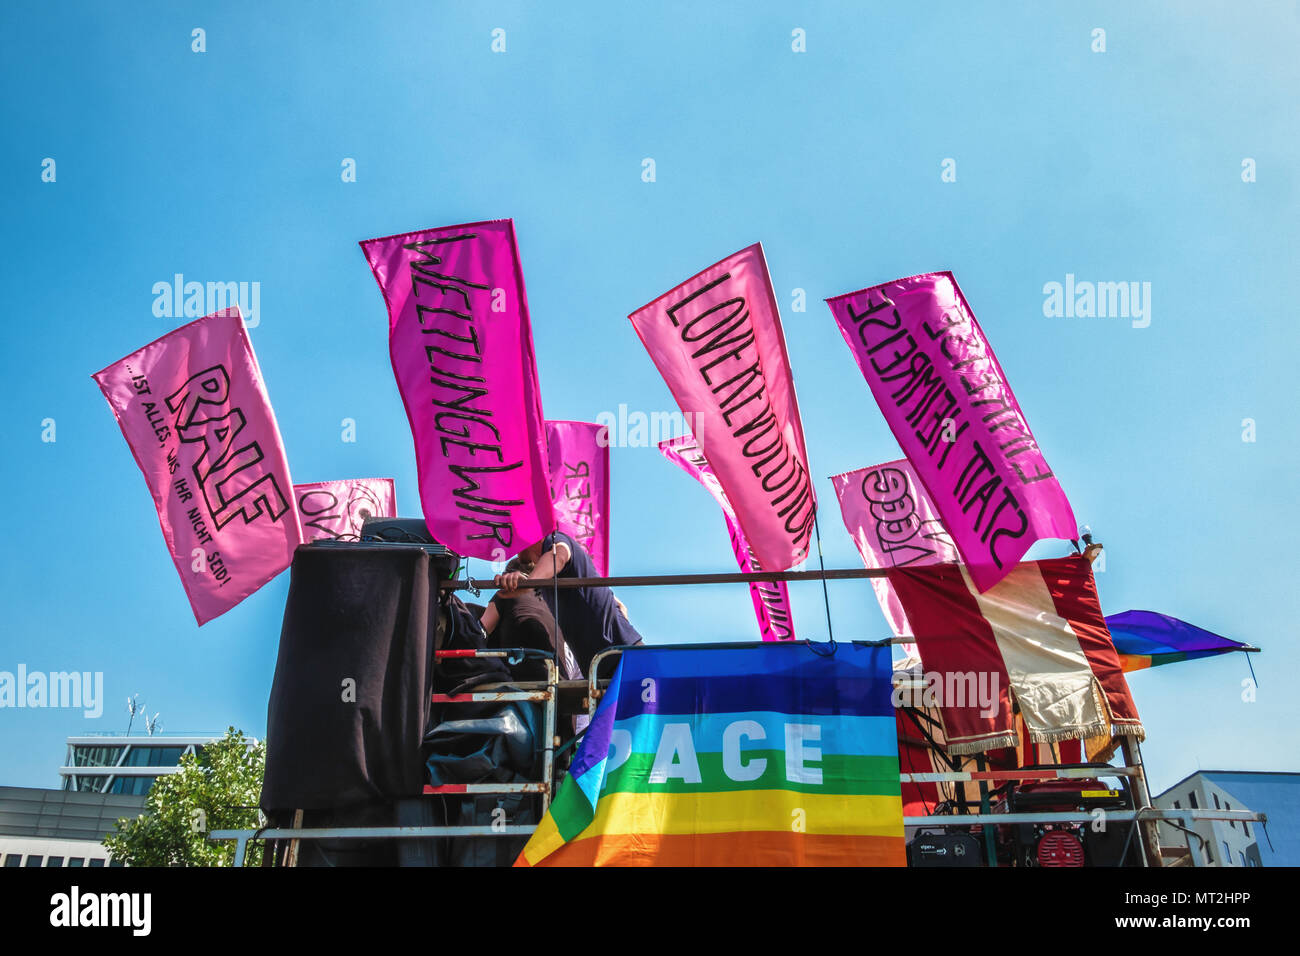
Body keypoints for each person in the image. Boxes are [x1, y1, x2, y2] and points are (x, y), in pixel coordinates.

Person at [493, 529, 643, 675]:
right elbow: (620, 605)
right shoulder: (545, 579)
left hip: (623, 658)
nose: (512, 547)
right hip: (601, 666)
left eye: (515, 537)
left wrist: (528, 584)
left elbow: (559, 556)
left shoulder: (557, 540)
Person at [478, 559, 580, 682]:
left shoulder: (507, 593)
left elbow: (480, 632)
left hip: (522, 677)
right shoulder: (553, 604)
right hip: (557, 680)